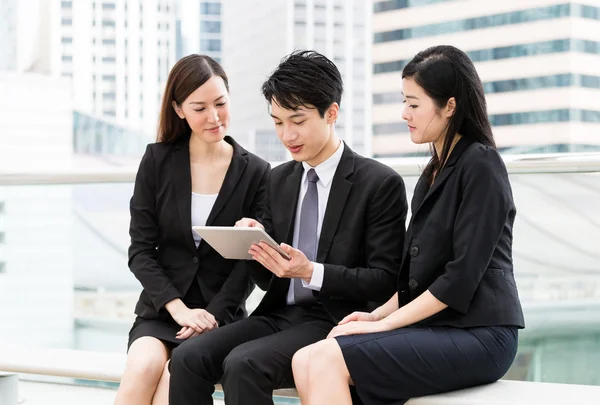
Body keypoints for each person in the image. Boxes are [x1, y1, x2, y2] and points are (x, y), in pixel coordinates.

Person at [168, 50, 408, 405]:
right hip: (279, 313)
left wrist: (311, 271)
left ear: (331, 113)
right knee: (187, 356)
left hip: (337, 319)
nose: (287, 135)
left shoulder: (378, 183)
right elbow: (268, 281)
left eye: (297, 120)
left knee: (242, 364)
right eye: (278, 122)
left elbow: (384, 280)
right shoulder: (278, 179)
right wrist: (254, 245)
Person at [292, 45, 526, 405]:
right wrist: (374, 315)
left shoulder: (482, 165)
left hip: (482, 332)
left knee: (326, 358)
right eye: (405, 102)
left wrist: (386, 324)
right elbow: (418, 277)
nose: (404, 113)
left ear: (449, 106)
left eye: (414, 104)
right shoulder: (432, 173)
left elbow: (460, 278)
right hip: (442, 326)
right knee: (304, 358)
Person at [114, 54, 270, 405]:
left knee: (173, 381)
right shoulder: (157, 160)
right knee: (141, 369)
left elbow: (250, 261)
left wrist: (211, 317)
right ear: (179, 109)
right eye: (200, 108)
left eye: (220, 103)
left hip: (221, 318)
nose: (214, 117)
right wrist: (179, 309)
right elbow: (140, 251)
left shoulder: (257, 172)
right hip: (163, 311)